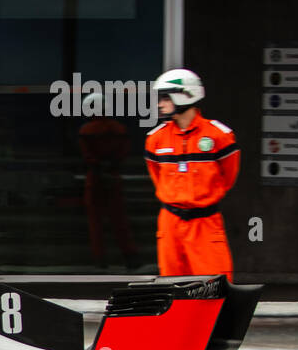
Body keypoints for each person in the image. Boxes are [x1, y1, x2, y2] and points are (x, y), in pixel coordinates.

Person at [144, 68, 239, 280]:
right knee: (171, 285)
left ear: (186, 95)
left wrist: (202, 195)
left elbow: (227, 178)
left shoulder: (219, 136)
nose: (160, 104)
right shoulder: (155, 140)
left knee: (214, 285)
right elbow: (157, 177)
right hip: (170, 223)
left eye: (165, 97)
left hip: (205, 222)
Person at [78, 92, 140, 270]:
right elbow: (124, 152)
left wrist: (98, 166)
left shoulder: (86, 130)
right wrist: (112, 167)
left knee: (95, 223)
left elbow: (87, 155)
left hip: (95, 178)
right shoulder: (118, 129)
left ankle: (100, 259)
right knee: (119, 221)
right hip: (113, 177)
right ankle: (130, 256)